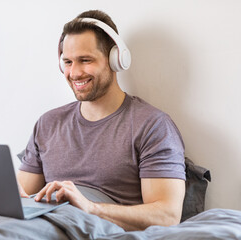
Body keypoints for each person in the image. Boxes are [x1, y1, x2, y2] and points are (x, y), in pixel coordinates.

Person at [17, 10, 186, 231]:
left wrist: (90, 207)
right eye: (67, 62)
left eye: (85, 60)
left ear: (116, 59)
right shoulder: (48, 123)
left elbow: (167, 215)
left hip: (92, 229)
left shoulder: (152, 126)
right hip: (39, 226)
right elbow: (20, 198)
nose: (74, 72)